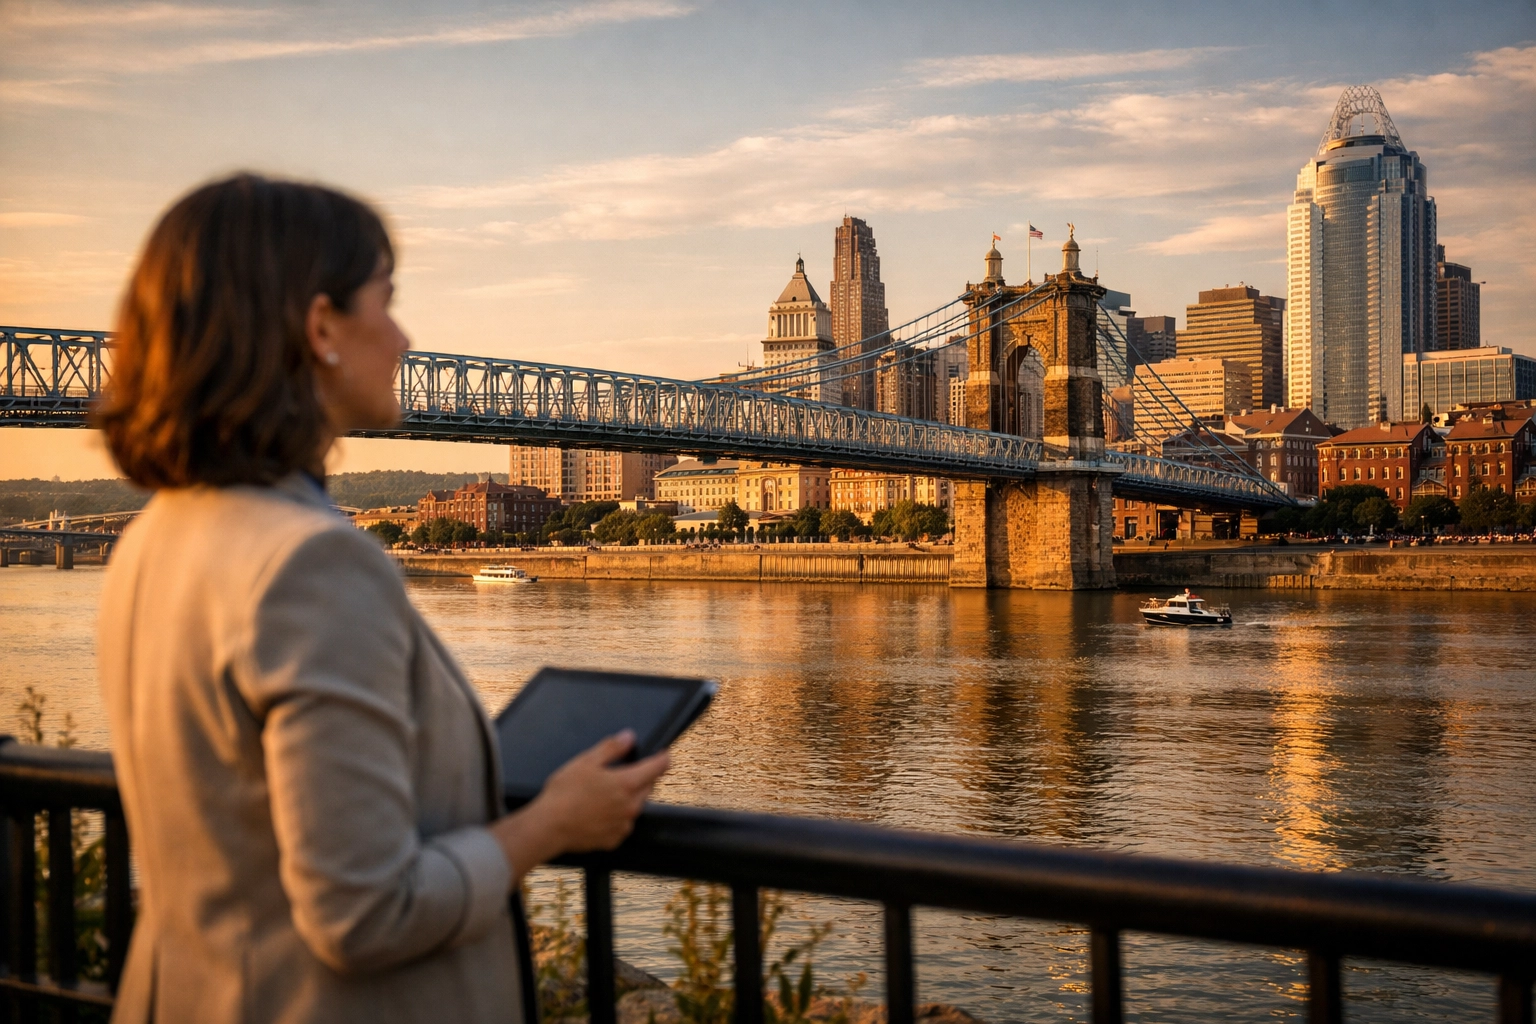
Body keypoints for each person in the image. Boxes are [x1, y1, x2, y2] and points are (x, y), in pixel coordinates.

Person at [93, 174, 669, 1023]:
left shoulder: (153, 541)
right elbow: (363, 915)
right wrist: (550, 823)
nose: (404, 337)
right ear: (321, 326)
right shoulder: (313, 562)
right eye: (386, 300)